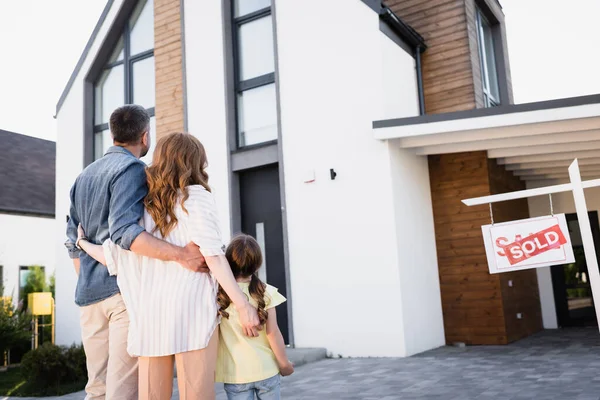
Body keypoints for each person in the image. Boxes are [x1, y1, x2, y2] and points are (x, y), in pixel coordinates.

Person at [76, 132, 261, 400]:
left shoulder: (140, 206)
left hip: (151, 320)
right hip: (193, 315)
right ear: (194, 162)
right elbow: (214, 256)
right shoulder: (195, 197)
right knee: (196, 394)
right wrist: (243, 306)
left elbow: (113, 254)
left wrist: (82, 243)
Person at [65, 105, 210, 400]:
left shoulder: (84, 176)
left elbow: (72, 241)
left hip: (89, 297)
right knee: (124, 392)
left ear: (113, 133)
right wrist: (182, 254)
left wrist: (91, 281)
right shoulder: (132, 170)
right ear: (145, 137)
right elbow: (125, 233)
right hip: (122, 295)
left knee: (96, 390)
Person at [216, 234, 294, 400]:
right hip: (266, 370)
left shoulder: (219, 295)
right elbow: (273, 333)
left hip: (236, 375)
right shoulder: (266, 293)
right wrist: (284, 364)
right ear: (258, 264)